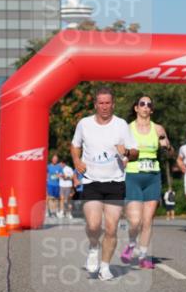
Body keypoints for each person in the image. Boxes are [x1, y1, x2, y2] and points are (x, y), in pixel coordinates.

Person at [70, 86, 138, 281]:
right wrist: (76, 161)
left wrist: (125, 153)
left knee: (111, 228)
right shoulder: (84, 124)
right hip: (91, 180)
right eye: (101, 103)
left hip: (115, 181)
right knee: (93, 225)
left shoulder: (121, 125)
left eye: (108, 103)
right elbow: (75, 145)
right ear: (95, 105)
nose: (105, 107)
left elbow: (135, 152)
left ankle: (105, 266)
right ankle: (93, 247)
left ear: (113, 104)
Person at [121, 95, 172, 270]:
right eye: (142, 104)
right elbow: (120, 153)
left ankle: (143, 256)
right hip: (133, 176)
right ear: (136, 108)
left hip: (152, 176)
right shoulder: (127, 129)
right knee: (135, 221)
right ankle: (131, 245)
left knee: (148, 220)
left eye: (149, 104)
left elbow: (170, 150)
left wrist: (167, 146)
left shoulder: (158, 129)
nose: (145, 107)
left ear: (152, 109)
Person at [46, 154, 63, 219]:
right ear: (52, 159)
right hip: (50, 184)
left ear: (57, 160)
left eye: (56, 159)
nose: (55, 160)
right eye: (54, 159)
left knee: (56, 199)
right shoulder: (48, 166)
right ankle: (51, 211)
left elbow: (62, 174)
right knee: (50, 198)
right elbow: (46, 173)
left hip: (57, 185)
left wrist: (60, 175)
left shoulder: (59, 167)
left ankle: (55, 211)